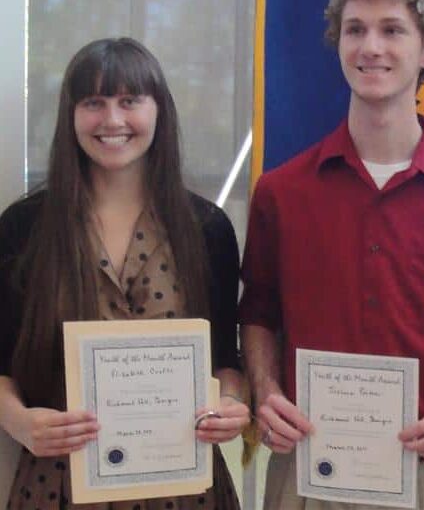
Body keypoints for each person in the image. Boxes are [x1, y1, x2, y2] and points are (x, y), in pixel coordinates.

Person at [239, 0, 424, 509]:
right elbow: (258, 313)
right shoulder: (282, 192)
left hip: (423, 467)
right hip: (306, 463)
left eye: (392, 30)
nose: (370, 46)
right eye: (355, 29)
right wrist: (265, 394)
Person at [0, 38, 250, 510]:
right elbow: (1, 360)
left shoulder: (207, 229)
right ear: (71, 115)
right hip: (60, 485)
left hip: (183, 486)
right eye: (93, 102)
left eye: (129, 101)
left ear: (159, 111)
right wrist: (18, 421)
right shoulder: (23, 228)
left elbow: (225, 361)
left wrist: (232, 404)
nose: (112, 120)